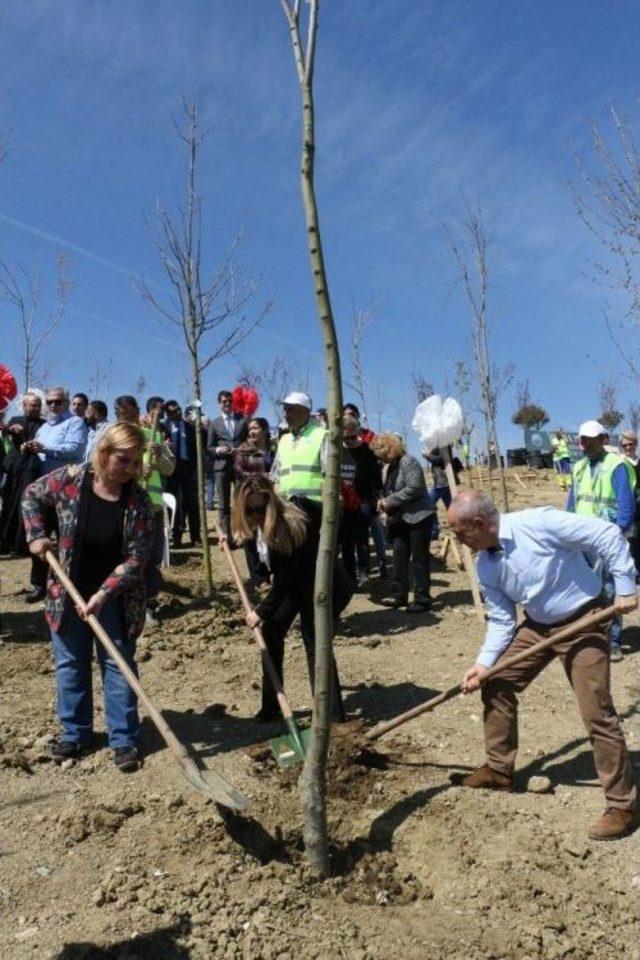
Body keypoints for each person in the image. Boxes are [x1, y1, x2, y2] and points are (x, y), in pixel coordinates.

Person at [449, 489, 638, 841]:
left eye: (460, 533)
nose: (458, 541)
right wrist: (482, 665)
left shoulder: (539, 523)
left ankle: (623, 805)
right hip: (538, 626)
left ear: (479, 523)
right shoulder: (485, 564)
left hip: (585, 617)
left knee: (596, 710)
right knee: (497, 681)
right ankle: (499, 769)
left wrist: (625, 586)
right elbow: (503, 622)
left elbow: (607, 534)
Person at [22, 422, 155, 772]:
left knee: (118, 663)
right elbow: (31, 495)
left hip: (116, 596)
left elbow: (136, 559)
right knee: (70, 663)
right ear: (104, 452)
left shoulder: (139, 502)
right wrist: (36, 535)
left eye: (135, 462)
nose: (129, 470)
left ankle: (124, 739)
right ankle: (75, 733)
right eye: (123, 460)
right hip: (65, 590)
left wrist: (101, 594)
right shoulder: (70, 479)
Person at [230, 475, 345, 723]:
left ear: (270, 502)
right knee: (271, 632)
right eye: (249, 511)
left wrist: (259, 611)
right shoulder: (256, 525)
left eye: (259, 509)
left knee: (315, 642)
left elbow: (285, 582)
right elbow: (248, 544)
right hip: (297, 585)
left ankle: (332, 717)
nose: (255, 515)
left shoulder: (290, 525)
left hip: (322, 585)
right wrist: (227, 542)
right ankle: (271, 707)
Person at [567, 420, 636, 661]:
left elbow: (626, 505)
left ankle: (613, 641)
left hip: (606, 539)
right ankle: (591, 635)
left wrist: (619, 533)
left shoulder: (616, 465)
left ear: (603, 439)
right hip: (582, 539)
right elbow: (572, 503)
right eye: (582, 438)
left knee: (609, 590)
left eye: (589, 438)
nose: (584, 443)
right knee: (585, 590)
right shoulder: (578, 468)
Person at [21, 386, 88, 601]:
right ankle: (39, 584)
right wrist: (29, 447)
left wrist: (45, 449)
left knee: (67, 538)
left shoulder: (75, 423)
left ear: (66, 403)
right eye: (49, 402)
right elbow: (40, 451)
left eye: (57, 402)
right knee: (40, 536)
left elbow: (76, 451)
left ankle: (71, 584)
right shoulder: (45, 427)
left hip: (66, 490)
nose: (52, 405)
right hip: (42, 490)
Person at [370, 433, 435, 612]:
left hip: (419, 516)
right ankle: (399, 596)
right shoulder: (390, 467)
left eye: (380, 452)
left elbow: (415, 488)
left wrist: (389, 501)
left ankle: (422, 600)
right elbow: (388, 489)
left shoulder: (409, 461)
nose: (379, 456)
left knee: (419, 559)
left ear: (389, 448)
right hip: (399, 519)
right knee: (399, 557)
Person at [0, 391, 45, 557]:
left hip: (31, 469)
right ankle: (4, 542)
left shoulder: (44, 424)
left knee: (24, 506)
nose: (36, 408)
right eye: (33, 405)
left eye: (38, 405)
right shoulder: (16, 420)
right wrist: (11, 429)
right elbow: (5, 431)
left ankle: (20, 545)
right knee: (8, 505)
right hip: (14, 468)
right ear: (25, 406)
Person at [339, 416, 382, 585]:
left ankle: (363, 571)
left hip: (363, 501)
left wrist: (377, 497)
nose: (349, 441)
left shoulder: (366, 451)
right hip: (342, 503)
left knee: (361, 538)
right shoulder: (336, 451)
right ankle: (350, 575)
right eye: (345, 438)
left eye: (352, 437)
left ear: (357, 432)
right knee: (346, 541)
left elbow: (376, 477)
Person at [206, 390, 249, 541]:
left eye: (230, 401)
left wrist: (244, 448)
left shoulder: (242, 420)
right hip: (221, 467)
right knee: (223, 504)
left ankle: (242, 533)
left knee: (241, 500)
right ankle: (227, 536)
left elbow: (249, 441)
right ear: (219, 404)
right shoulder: (214, 423)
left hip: (239, 466)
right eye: (224, 401)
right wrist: (218, 449)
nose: (228, 404)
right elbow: (209, 447)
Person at [164, 399, 203, 547]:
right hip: (171, 470)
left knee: (192, 503)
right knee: (175, 504)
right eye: (173, 412)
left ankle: (195, 537)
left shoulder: (191, 427)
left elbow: (199, 446)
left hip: (189, 468)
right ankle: (177, 537)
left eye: (178, 409)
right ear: (167, 414)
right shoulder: (164, 427)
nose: (177, 413)